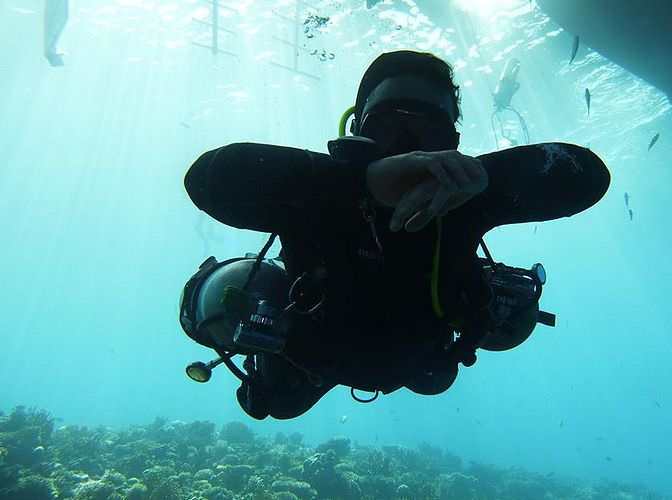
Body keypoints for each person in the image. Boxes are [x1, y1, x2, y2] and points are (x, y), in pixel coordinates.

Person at [181, 50, 611, 420]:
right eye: (389, 124)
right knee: (273, 404)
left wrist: (486, 178)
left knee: (435, 378)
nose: (409, 143)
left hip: (419, 359)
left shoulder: (466, 197)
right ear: (358, 129)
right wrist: (358, 182)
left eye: (430, 130)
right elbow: (208, 178)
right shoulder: (314, 193)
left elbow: (588, 176)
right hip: (306, 353)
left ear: (453, 142)